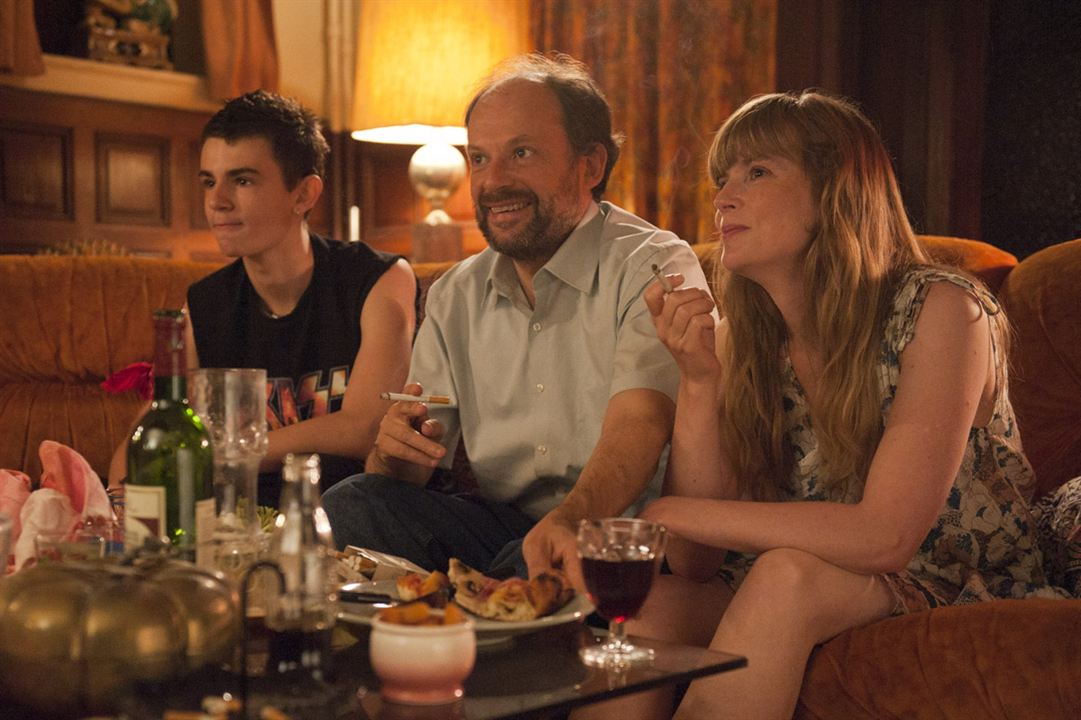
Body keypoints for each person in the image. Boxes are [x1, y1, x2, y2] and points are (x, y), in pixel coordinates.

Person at [584, 90, 1069, 720]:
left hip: (951, 576)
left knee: (787, 576)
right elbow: (694, 564)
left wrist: (673, 509)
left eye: (756, 172)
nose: (723, 196)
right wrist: (699, 381)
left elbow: (886, 536)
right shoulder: (743, 340)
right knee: (651, 608)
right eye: (721, 178)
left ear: (837, 190)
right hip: (805, 579)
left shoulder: (942, 309)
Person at [321, 53, 713, 585]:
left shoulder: (653, 263)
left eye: (520, 153)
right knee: (352, 503)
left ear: (590, 165)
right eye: (479, 159)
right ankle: (489, 607)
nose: (492, 182)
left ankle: (486, 610)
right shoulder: (456, 293)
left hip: (620, 534)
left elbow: (640, 423)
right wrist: (394, 454)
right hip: (505, 531)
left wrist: (568, 523)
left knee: (519, 568)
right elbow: (416, 462)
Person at [108, 90, 417, 507]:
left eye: (242, 180)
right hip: (233, 524)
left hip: (343, 520)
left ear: (304, 194)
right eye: (209, 182)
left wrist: (224, 453)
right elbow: (142, 446)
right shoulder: (203, 305)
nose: (217, 202)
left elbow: (364, 427)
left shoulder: (378, 279)